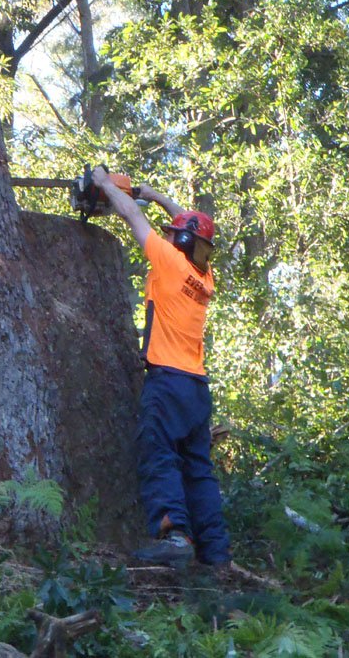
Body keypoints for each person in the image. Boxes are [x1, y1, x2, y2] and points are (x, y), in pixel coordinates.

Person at [91, 166, 231, 569]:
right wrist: (152, 194)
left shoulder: (169, 263)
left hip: (167, 382)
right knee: (198, 470)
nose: (166, 236)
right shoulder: (204, 278)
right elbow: (185, 220)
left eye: (172, 233)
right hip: (196, 389)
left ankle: (174, 536)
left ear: (181, 241)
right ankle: (215, 553)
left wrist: (104, 185)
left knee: (159, 455)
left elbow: (131, 218)